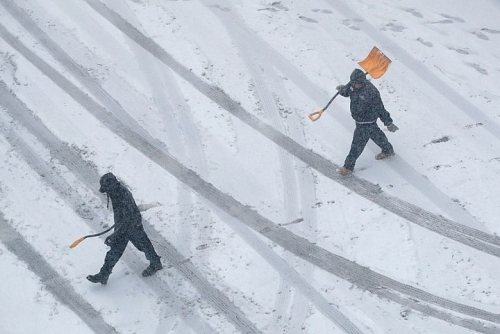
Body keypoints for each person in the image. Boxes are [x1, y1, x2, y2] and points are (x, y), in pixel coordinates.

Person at [87, 173, 162, 284]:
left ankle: (155, 264)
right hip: (123, 225)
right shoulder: (115, 192)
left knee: (144, 246)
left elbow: (127, 220)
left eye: (106, 189)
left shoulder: (123, 196)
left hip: (132, 226)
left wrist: (114, 235)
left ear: (111, 186)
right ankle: (103, 275)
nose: (106, 192)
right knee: (115, 251)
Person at [336, 68, 398, 176]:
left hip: (366, 122)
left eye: (356, 84)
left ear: (362, 82)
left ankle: (347, 167)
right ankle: (388, 150)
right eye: (353, 83)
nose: (354, 86)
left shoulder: (371, 92)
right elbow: (349, 91)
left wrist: (388, 122)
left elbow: (380, 109)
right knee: (377, 135)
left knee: (356, 146)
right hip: (360, 121)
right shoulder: (353, 85)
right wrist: (343, 91)